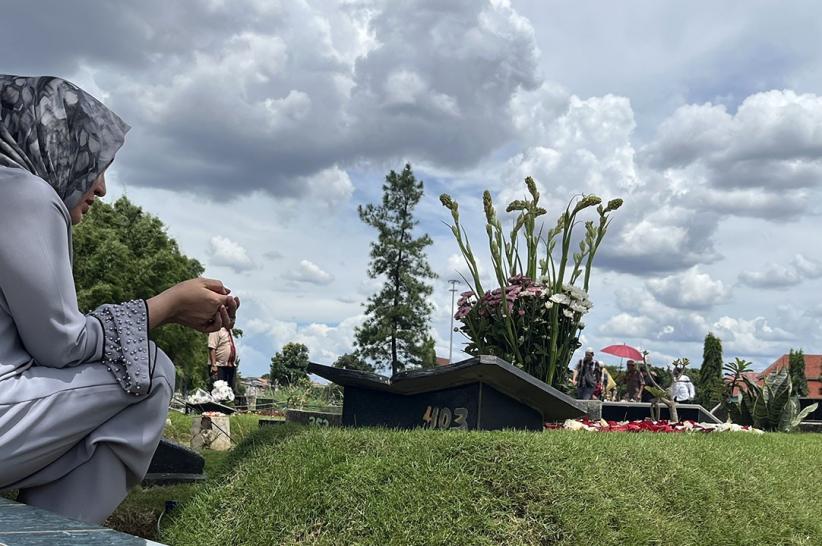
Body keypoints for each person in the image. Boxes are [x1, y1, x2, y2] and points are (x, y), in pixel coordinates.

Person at [0, 75, 240, 524]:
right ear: (54, 142)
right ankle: (49, 534)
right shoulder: (24, 194)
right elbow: (60, 345)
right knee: (149, 371)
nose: (103, 188)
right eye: (94, 161)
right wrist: (165, 307)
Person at [208, 325, 238, 390]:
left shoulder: (229, 331)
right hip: (219, 366)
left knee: (230, 391)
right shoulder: (216, 329)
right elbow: (212, 348)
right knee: (219, 390)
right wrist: (213, 365)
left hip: (230, 366)